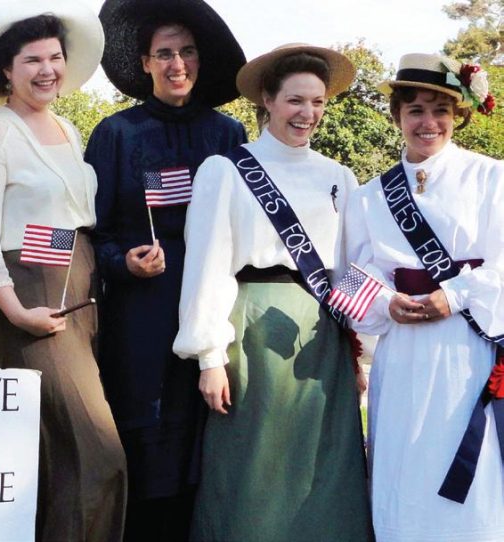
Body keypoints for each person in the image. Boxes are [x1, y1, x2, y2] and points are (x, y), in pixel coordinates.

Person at [173, 44, 372, 541]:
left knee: (323, 465)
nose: (308, 114)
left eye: (318, 102)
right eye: (295, 101)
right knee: (254, 464)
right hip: (252, 331)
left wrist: (359, 349)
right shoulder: (226, 170)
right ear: (267, 100)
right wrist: (209, 358)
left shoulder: (339, 177)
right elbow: (208, 265)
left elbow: (349, 266)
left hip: (322, 335)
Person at [0, 2, 126, 539]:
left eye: (55, 57)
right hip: (31, 299)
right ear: (6, 69)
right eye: (32, 59)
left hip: (81, 293)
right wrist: (13, 310)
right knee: (94, 451)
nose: (47, 69)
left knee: (57, 458)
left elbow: (66, 226)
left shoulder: (69, 131)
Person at [86, 0, 247, 537]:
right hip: (143, 313)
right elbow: (92, 231)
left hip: (216, 306)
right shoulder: (116, 134)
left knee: (212, 436)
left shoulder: (229, 135)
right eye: (165, 54)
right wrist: (123, 261)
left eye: (187, 51)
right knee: (148, 441)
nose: (178, 63)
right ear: (146, 63)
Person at [345, 53, 504, 542]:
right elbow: (350, 275)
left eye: (439, 109)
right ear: (397, 116)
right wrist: (385, 302)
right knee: (404, 465)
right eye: (414, 109)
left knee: (470, 474)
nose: (427, 122)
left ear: (458, 115)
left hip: (467, 350)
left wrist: (454, 296)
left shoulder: (491, 177)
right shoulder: (369, 195)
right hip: (403, 352)